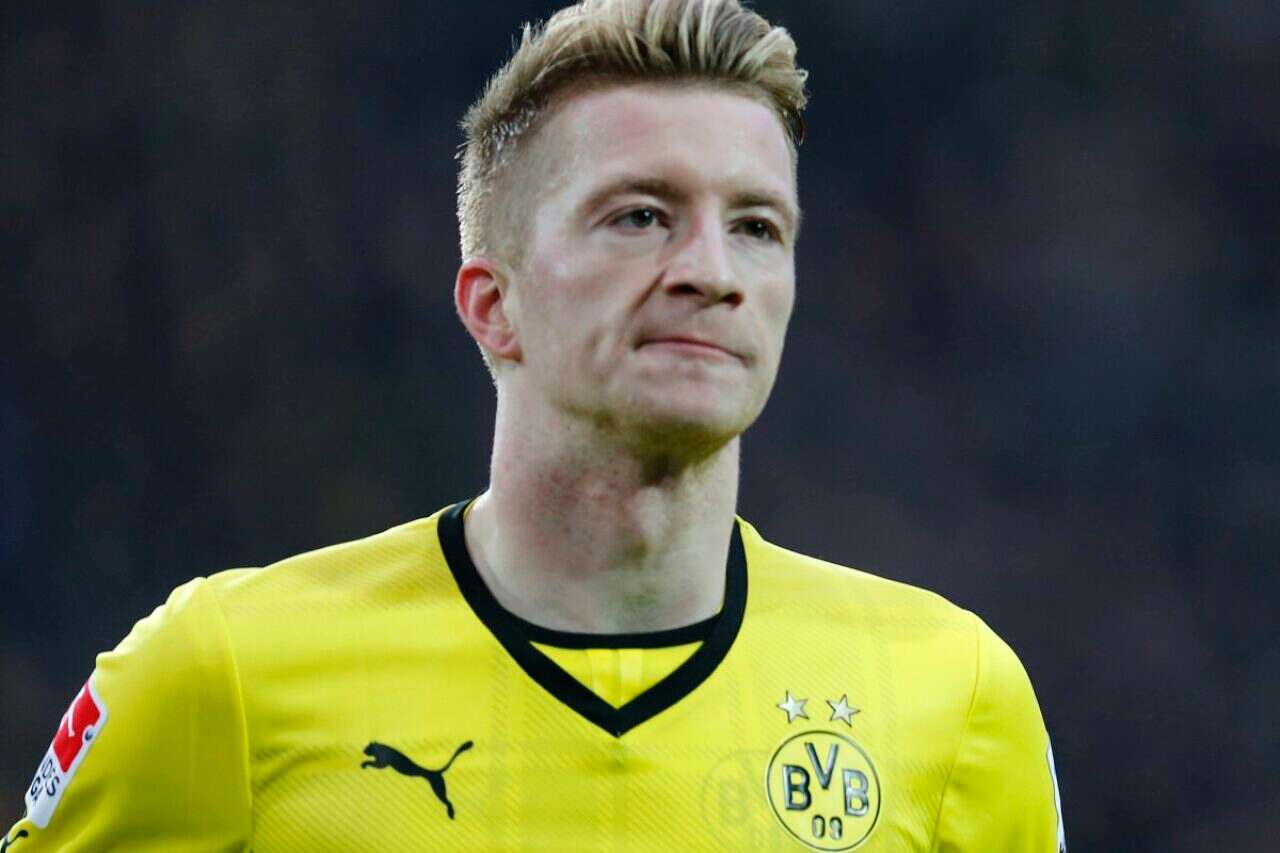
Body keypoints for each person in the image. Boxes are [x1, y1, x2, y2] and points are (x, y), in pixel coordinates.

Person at [5, 0, 1066, 849]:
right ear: (491, 305)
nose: (712, 272)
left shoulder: (951, 695)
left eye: (755, 226)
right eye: (640, 215)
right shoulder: (223, 676)